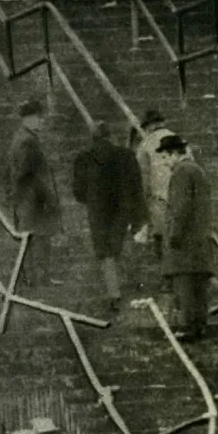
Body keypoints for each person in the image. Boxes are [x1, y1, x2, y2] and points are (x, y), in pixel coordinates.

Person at [73, 121, 148, 310]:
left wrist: (90, 200)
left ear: (94, 138)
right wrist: (139, 213)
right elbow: (137, 186)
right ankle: (135, 285)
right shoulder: (126, 155)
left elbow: (78, 191)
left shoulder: (83, 158)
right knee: (120, 245)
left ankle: (114, 293)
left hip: (98, 211)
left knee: (105, 251)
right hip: (123, 208)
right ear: (110, 136)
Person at [157, 135, 213, 341]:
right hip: (199, 237)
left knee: (184, 283)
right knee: (198, 283)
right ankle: (199, 324)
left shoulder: (181, 172)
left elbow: (181, 207)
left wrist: (174, 235)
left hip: (185, 239)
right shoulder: (197, 170)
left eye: (164, 157)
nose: (164, 163)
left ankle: (187, 326)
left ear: (174, 154)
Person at [7, 99, 62, 288]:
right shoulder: (27, 141)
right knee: (36, 239)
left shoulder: (24, 138)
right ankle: (37, 279)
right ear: (28, 119)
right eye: (39, 118)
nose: (42, 121)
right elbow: (28, 173)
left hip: (28, 198)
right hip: (32, 199)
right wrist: (46, 197)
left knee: (36, 238)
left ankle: (38, 278)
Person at [129, 109, 175, 261]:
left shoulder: (145, 145)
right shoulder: (178, 140)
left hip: (159, 202)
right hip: (181, 201)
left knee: (162, 243)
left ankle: (168, 281)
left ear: (148, 126)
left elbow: (142, 180)